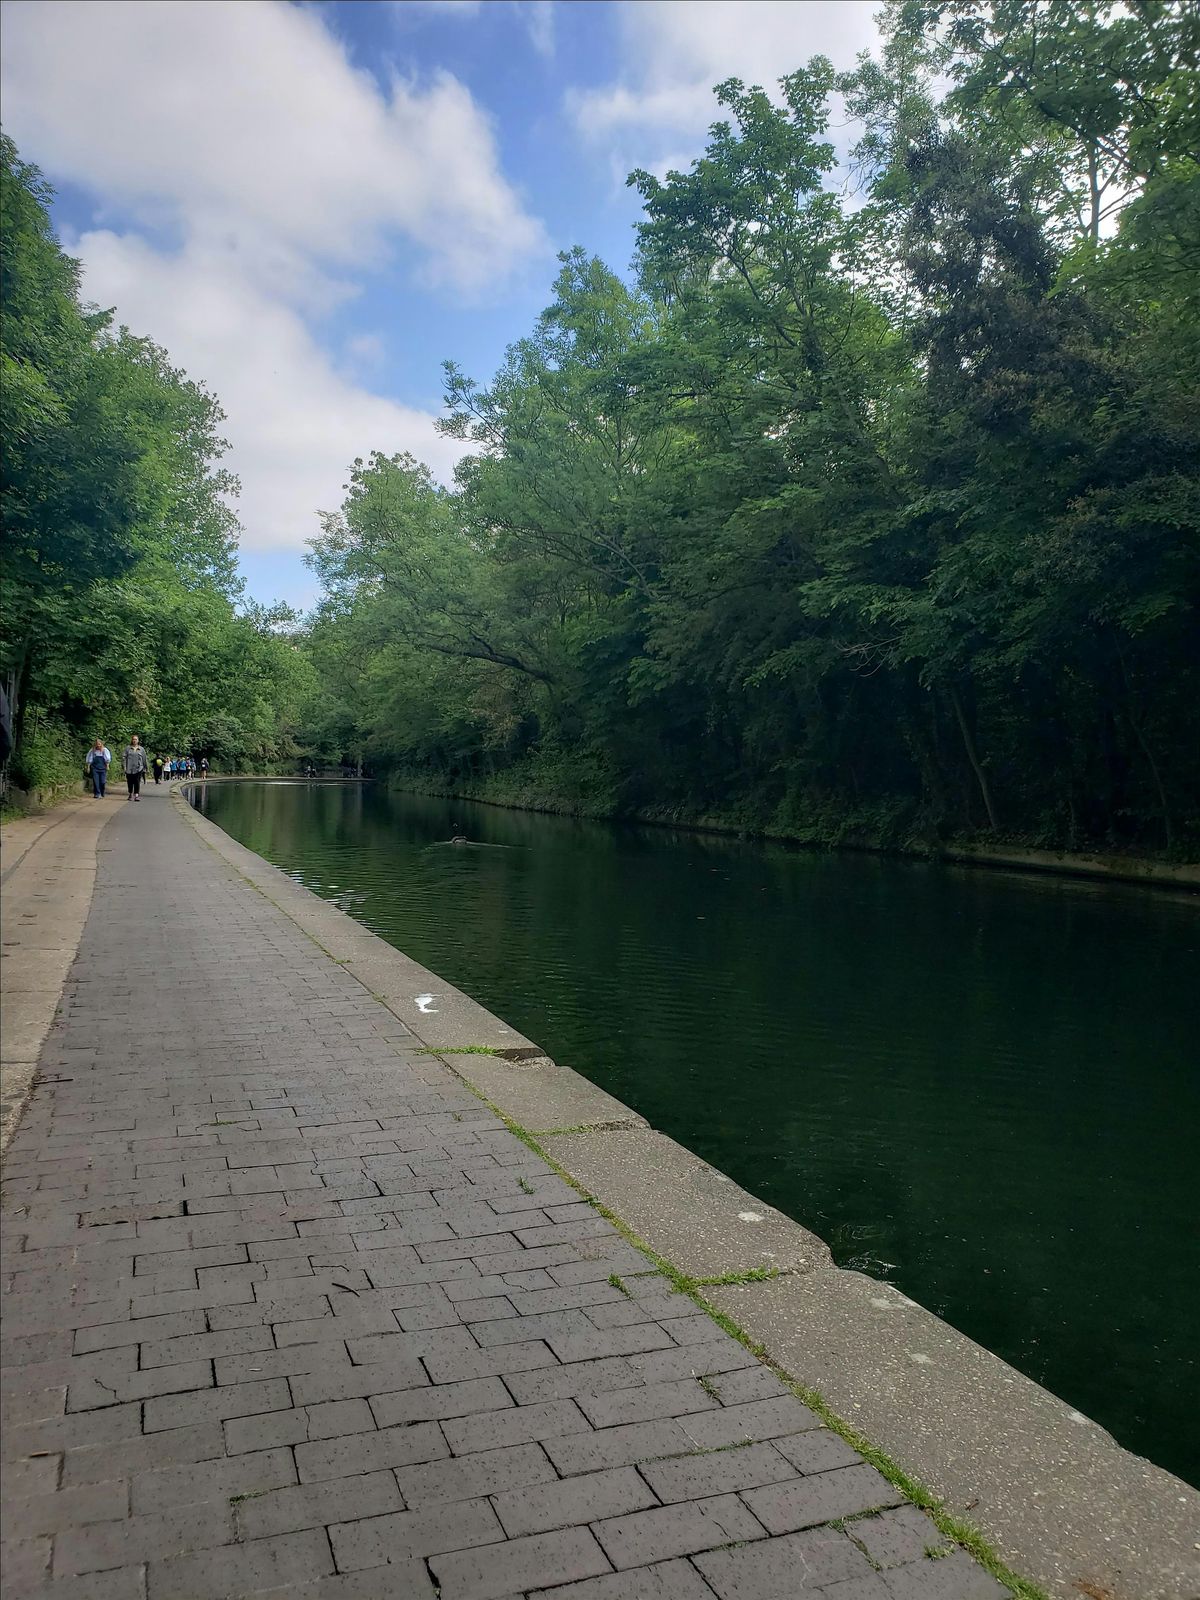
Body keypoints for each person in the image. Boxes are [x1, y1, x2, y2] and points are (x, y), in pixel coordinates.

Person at [123, 734, 148, 801]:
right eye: (133, 739)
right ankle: (130, 793)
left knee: (137, 781)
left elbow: (144, 759)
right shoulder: (127, 748)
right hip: (129, 768)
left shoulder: (141, 749)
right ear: (131, 740)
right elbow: (124, 758)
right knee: (130, 782)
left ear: (138, 740)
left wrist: (145, 768)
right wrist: (124, 767)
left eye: (136, 739)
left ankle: (136, 795)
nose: (134, 741)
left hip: (139, 768)